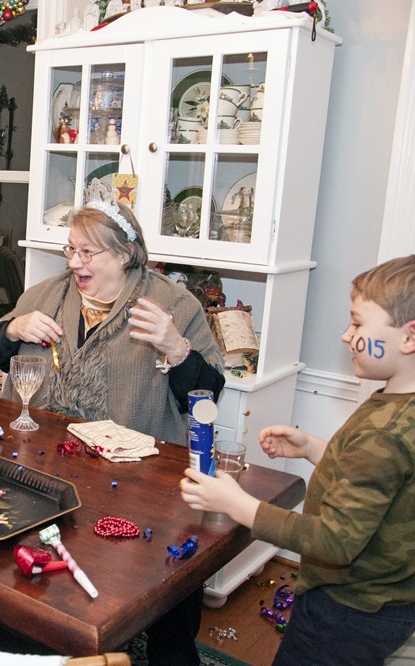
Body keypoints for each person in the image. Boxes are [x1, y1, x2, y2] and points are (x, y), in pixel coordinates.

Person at [0, 200, 224, 666]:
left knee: (168, 589)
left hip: (140, 482)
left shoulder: (174, 305)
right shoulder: (46, 295)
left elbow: (207, 397)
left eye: (88, 252)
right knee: (44, 592)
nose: (75, 262)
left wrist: (176, 349)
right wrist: (13, 329)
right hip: (46, 468)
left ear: (125, 254)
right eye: (70, 250)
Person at [181, 255, 415, 666]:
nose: (346, 336)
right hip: (386, 599)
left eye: (357, 324)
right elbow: (380, 480)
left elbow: (334, 541)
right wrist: (313, 448)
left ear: (409, 337)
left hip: (347, 610)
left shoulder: (386, 430)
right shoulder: (399, 406)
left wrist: (238, 504)